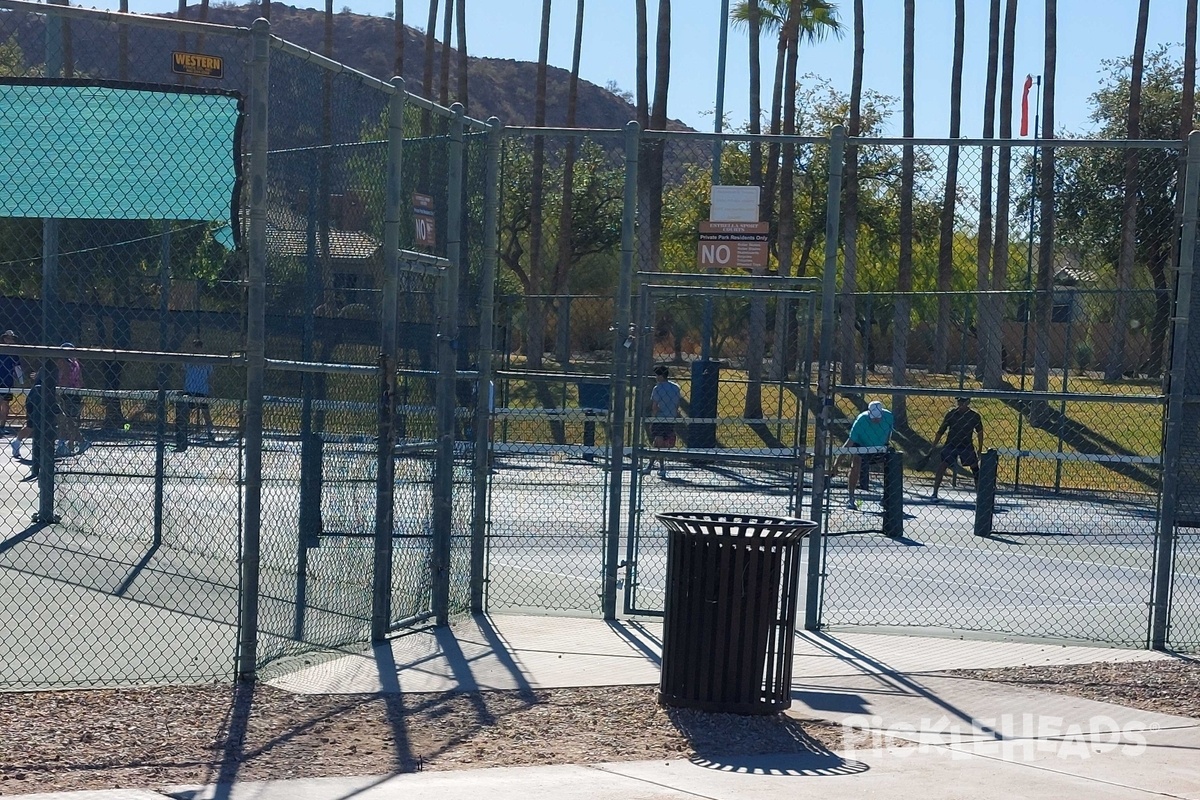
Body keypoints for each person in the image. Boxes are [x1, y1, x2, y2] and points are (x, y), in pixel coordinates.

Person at [929, 396, 985, 501]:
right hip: (951, 444)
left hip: (966, 445)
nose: (960, 404)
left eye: (963, 401)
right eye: (959, 401)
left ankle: (980, 496)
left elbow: (980, 432)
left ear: (968, 402)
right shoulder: (951, 414)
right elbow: (941, 430)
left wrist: (980, 448)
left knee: (975, 469)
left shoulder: (974, 416)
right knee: (942, 466)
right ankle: (934, 493)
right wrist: (933, 445)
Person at [841, 400, 894, 509]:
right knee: (856, 465)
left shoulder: (889, 417)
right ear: (869, 413)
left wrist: (884, 446)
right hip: (861, 445)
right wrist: (837, 464)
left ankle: (887, 497)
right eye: (873, 417)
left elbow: (888, 434)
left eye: (878, 417)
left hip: (879, 446)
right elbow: (849, 443)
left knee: (889, 468)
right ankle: (851, 497)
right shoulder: (861, 420)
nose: (876, 419)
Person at [642, 364, 682, 479]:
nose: (655, 377)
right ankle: (653, 466)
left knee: (658, 442)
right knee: (658, 443)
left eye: (656, 375)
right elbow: (677, 405)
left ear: (660, 376)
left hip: (660, 418)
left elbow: (655, 406)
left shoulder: (657, 388)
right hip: (671, 418)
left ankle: (660, 467)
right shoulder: (676, 387)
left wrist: (653, 420)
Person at [19, 368, 59, 481]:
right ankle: (36, 466)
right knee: (34, 428)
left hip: (44, 401)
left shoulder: (52, 368)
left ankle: (44, 462)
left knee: (45, 431)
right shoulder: (47, 369)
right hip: (36, 401)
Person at [182, 338, 216, 442]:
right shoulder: (187, 360)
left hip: (202, 391)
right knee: (186, 412)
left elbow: (211, 377)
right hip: (189, 389)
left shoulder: (206, 361)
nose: (196, 350)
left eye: (198, 347)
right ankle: (184, 432)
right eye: (195, 347)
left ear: (201, 348)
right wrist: (183, 387)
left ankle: (210, 432)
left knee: (206, 413)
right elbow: (183, 374)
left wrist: (211, 389)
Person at [55, 343, 83, 456]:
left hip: (68, 394)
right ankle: (71, 443)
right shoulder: (73, 362)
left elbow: (65, 378)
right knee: (70, 420)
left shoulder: (67, 363)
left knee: (66, 420)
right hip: (73, 393)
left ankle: (65, 444)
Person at [0, 330, 24, 432]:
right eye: (8, 338)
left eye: (11, 339)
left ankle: (2, 426)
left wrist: (21, 381)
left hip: (8, 381)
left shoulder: (14, 352)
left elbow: (17, 367)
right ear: (4, 339)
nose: (10, 340)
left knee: (5, 404)